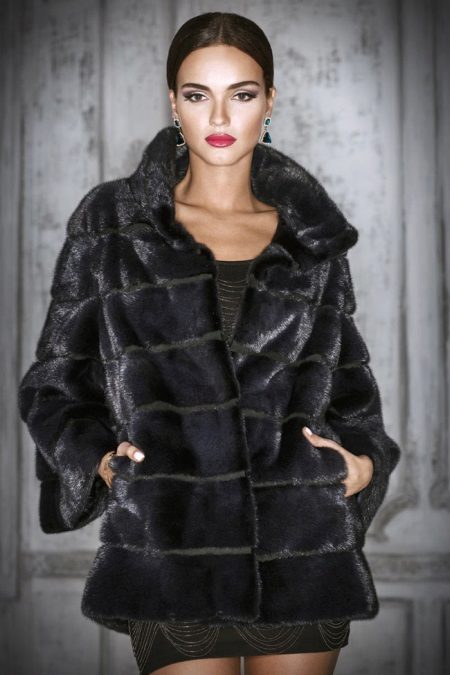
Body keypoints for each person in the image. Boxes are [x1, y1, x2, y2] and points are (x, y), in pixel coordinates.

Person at [17, 11, 401, 675]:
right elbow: (53, 386)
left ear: (269, 101)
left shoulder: (310, 239)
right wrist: (101, 462)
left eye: (241, 94)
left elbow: (350, 393)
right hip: (170, 547)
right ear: (174, 103)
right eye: (198, 95)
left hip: (300, 550)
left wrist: (364, 465)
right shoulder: (114, 226)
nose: (219, 116)